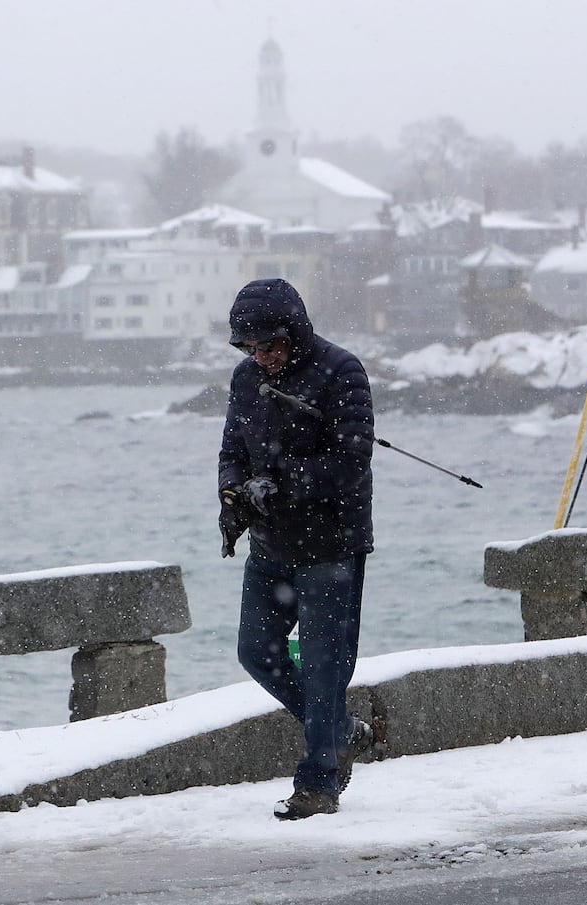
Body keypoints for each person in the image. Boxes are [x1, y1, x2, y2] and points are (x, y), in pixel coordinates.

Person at [217, 278, 380, 820]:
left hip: (331, 544)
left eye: (268, 345)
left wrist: (281, 483)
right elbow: (232, 450)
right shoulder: (245, 380)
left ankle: (317, 784)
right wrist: (234, 494)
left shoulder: (342, 371)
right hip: (270, 544)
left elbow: (351, 459)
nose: (259, 357)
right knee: (255, 651)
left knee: (324, 665)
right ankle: (340, 731)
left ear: (294, 332)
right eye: (248, 348)